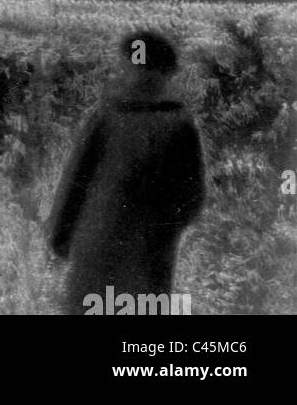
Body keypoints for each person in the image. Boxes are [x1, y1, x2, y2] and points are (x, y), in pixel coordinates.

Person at [47, 28, 205, 315]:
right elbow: (192, 199)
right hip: (147, 256)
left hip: (98, 245)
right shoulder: (180, 123)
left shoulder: (107, 115)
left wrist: (60, 236)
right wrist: (162, 232)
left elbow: (75, 181)